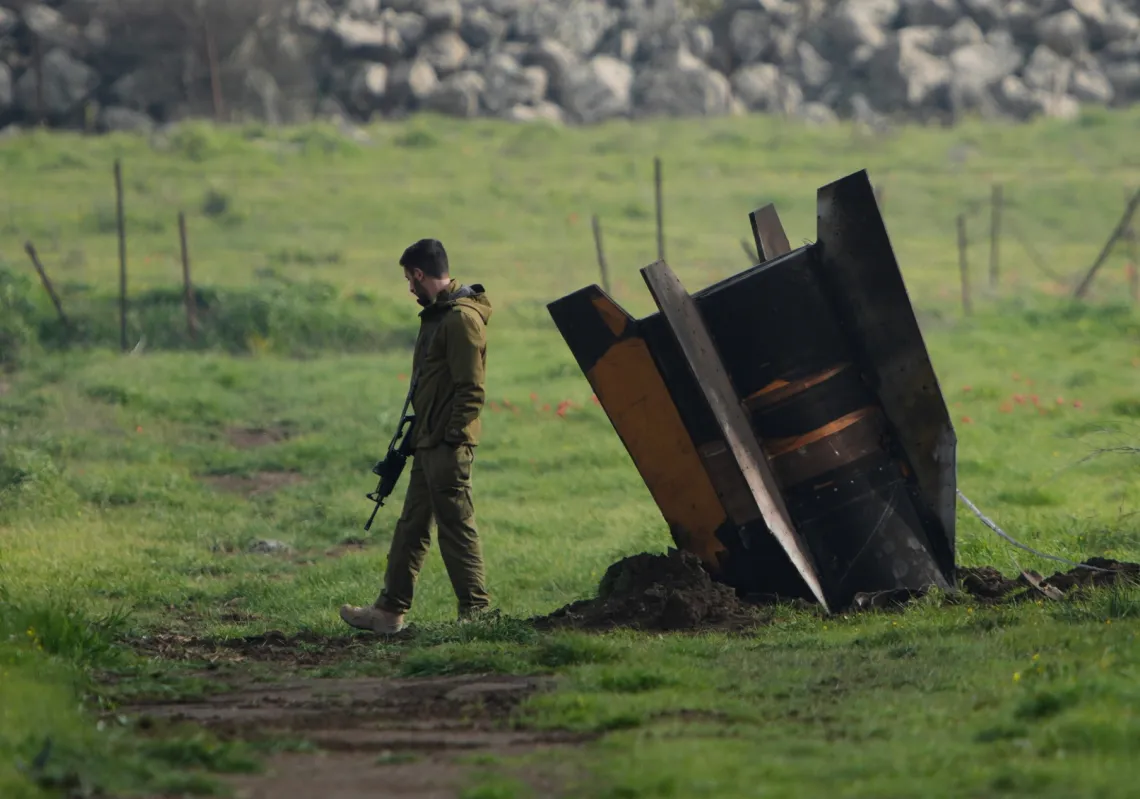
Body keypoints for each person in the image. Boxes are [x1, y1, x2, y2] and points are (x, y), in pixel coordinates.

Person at [340, 238, 492, 634]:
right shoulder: (440, 316)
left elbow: (471, 389)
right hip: (427, 442)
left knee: (456, 528)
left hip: (446, 446)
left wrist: (452, 437)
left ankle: (476, 614)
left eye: (410, 279)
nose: (409, 288)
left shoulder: (460, 319)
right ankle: (389, 612)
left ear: (421, 274)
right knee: (411, 527)